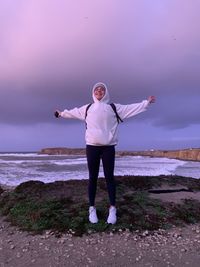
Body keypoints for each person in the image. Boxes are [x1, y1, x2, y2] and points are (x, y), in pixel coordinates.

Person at [55, 82, 155, 224]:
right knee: (92, 178)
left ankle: (112, 209)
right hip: (92, 147)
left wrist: (146, 103)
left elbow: (131, 108)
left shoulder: (113, 107)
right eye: (97, 89)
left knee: (110, 178)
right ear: (93, 92)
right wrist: (60, 114)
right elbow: (73, 112)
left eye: (102, 89)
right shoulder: (87, 108)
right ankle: (91, 208)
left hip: (108, 147)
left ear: (106, 92)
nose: (99, 91)